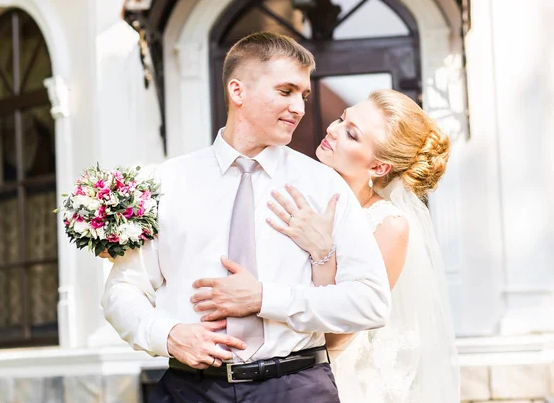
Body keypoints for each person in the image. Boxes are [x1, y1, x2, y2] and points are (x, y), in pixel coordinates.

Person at [101, 32, 391, 402]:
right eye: (285, 91)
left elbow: (371, 302)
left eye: (303, 95)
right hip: (191, 389)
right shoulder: (167, 182)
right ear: (238, 92)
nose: (300, 108)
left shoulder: (324, 186)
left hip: (296, 387)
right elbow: (122, 289)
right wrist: (169, 333)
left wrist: (264, 298)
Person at [265, 89, 460, 402]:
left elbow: (339, 336)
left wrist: (321, 254)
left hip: (340, 383)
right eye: (342, 118)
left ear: (379, 167)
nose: (332, 129)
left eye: (351, 134)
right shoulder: (303, 195)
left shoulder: (387, 225)